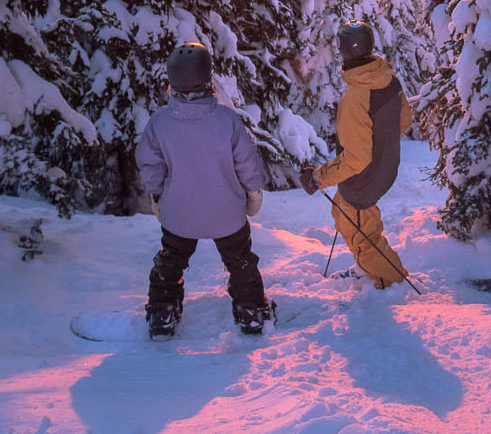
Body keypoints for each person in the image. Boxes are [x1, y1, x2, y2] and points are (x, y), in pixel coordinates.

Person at [136, 42, 274, 338]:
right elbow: (249, 164)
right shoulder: (227, 120)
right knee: (240, 260)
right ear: (207, 77)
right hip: (227, 213)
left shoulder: (160, 122)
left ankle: (161, 313)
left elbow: (149, 164)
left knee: (170, 261)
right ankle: (250, 311)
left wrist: (158, 194)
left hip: (179, 213)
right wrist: (253, 193)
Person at [300, 21, 413, 289]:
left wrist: (317, 178)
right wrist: (381, 144)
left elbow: (357, 159)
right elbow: (404, 119)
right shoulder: (388, 79)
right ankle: (368, 269)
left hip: (364, 177)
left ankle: (393, 282)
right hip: (383, 167)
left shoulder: (356, 96)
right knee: (343, 211)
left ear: (343, 52)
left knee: (362, 235)